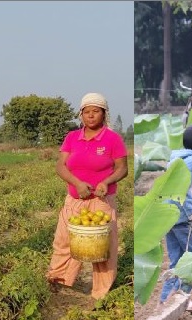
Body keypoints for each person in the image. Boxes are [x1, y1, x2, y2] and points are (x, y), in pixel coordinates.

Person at [46, 93, 128, 300]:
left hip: (101, 202)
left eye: (96, 111)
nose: (91, 116)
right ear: (81, 114)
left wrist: (106, 182)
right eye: (87, 112)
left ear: (103, 114)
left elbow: (122, 169)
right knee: (64, 241)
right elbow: (60, 166)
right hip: (74, 200)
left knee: (102, 249)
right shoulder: (72, 137)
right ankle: (58, 281)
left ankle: (100, 294)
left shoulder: (112, 138)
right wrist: (77, 183)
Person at [159, 125, 192, 313]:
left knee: (177, 260)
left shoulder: (177, 159)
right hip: (184, 220)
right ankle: (180, 296)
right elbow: (179, 189)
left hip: (170, 217)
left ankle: (165, 300)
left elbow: (185, 185)